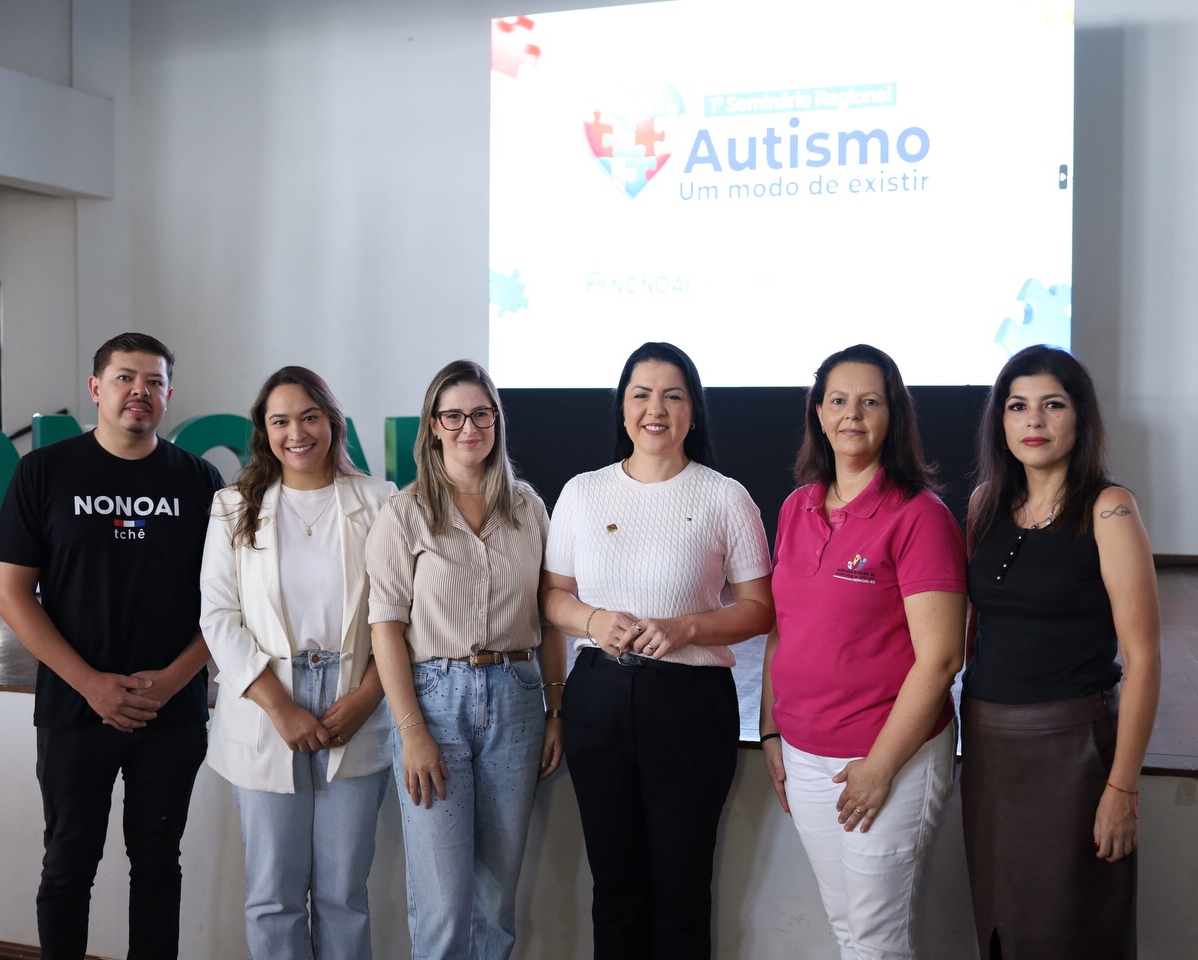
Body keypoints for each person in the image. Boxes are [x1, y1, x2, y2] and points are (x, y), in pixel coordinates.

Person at [0, 333, 224, 960]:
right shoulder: (43, 471)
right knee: (68, 864)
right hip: (73, 709)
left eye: (154, 381)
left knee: (158, 864)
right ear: (96, 388)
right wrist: (90, 683)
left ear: (169, 394)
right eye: (125, 378)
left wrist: (173, 680)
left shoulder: (201, 480)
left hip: (170, 712)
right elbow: (12, 595)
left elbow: (228, 602)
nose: (139, 392)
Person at [541, 341, 773, 960]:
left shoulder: (725, 496)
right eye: (641, 394)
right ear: (622, 409)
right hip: (598, 699)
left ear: (693, 411)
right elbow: (552, 597)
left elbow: (760, 609)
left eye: (673, 396)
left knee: (681, 890)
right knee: (615, 888)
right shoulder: (582, 492)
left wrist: (688, 628)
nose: (656, 409)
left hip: (691, 705)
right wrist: (593, 619)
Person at [759, 343, 966, 960]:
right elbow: (782, 628)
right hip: (805, 753)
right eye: (839, 400)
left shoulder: (919, 516)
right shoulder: (796, 507)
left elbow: (941, 659)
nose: (852, 414)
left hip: (888, 757)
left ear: (893, 415)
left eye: (870, 401)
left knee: (877, 938)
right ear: (818, 414)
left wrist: (879, 767)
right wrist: (771, 730)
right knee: (846, 927)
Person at [960, 345, 1160, 959]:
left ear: (1080, 417)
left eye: (1052, 405)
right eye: (1017, 406)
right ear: (1000, 420)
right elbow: (974, 630)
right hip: (989, 744)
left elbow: (1144, 659)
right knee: (999, 923)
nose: (1034, 421)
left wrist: (1121, 789)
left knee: (1072, 928)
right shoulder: (984, 502)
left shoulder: (1109, 508)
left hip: (1072, 749)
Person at [365, 359, 564, 960]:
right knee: (444, 903)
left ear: (497, 421)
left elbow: (548, 616)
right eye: (453, 416)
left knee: (495, 900)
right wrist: (412, 731)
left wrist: (556, 711)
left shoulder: (528, 508)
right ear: (432, 425)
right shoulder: (403, 513)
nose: (468, 427)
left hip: (518, 697)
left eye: (481, 414)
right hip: (434, 703)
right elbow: (385, 630)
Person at [199, 366, 396, 959]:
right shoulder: (233, 506)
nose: (297, 433)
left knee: (343, 893)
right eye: (280, 421)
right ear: (264, 431)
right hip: (267, 703)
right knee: (273, 895)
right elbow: (218, 617)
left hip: (354, 699)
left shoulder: (380, 500)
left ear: (332, 422)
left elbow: (401, 616)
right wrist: (281, 708)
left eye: (310, 417)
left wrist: (366, 698)